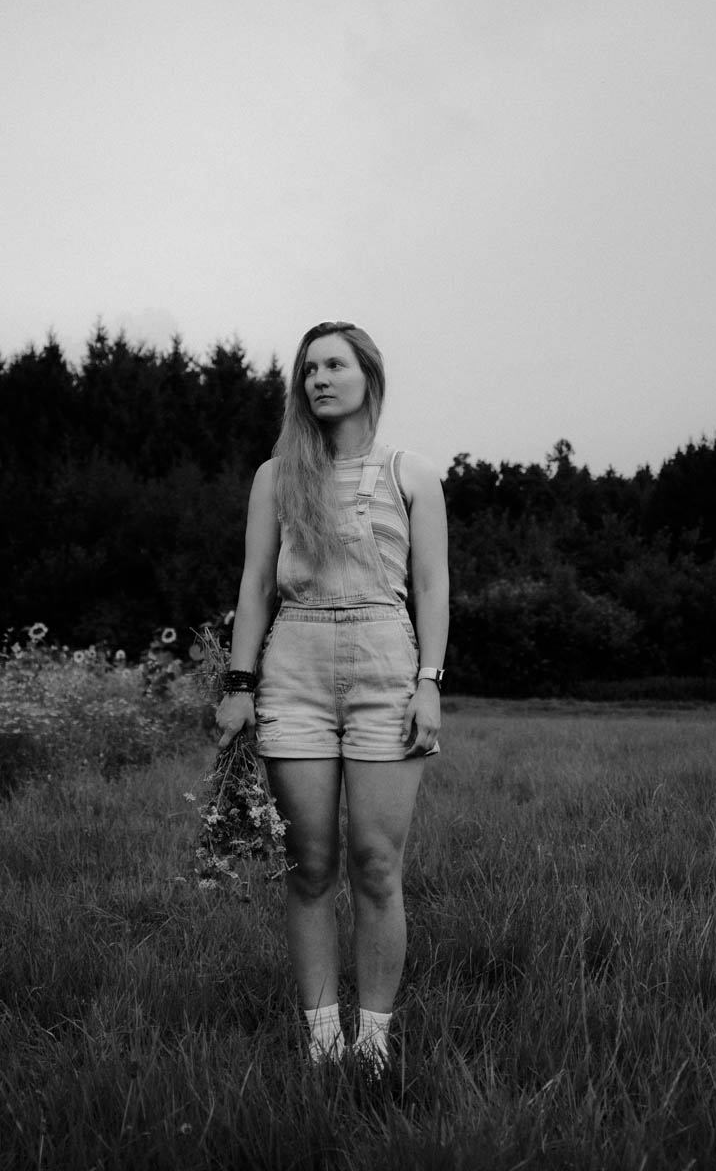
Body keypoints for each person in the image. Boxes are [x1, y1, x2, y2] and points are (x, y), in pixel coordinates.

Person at [215, 320, 449, 1075]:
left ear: (367, 377)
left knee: (377, 864)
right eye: (308, 367)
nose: (318, 378)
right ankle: (322, 1039)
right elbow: (253, 587)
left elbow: (434, 588)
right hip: (296, 669)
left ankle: (373, 1041)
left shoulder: (412, 473)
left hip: (388, 666)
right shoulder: (277, 476)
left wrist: (430, 684)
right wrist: (239, 684)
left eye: (334, 365)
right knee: (309, 866)